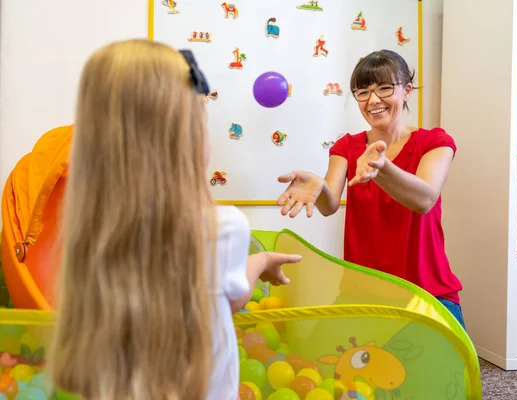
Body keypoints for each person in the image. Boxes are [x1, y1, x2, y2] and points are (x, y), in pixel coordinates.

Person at [46, 39, 301, 400]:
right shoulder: (222, 228)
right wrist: (258, 262)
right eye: (201, 119)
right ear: (184, 136)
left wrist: (258, 259)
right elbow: (227, 298)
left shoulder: (89, 232)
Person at [276, 49, 465, 329]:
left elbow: (424, 199)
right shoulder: (347, 147)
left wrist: (382, 167)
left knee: (440, 372)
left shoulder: (434, 142)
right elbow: (329, 205)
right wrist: (318, 187)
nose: (373, 100)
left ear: (406, 91)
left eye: (384, 88)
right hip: (361, 291)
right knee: (328, 368)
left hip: (426, 291)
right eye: (362, 92)